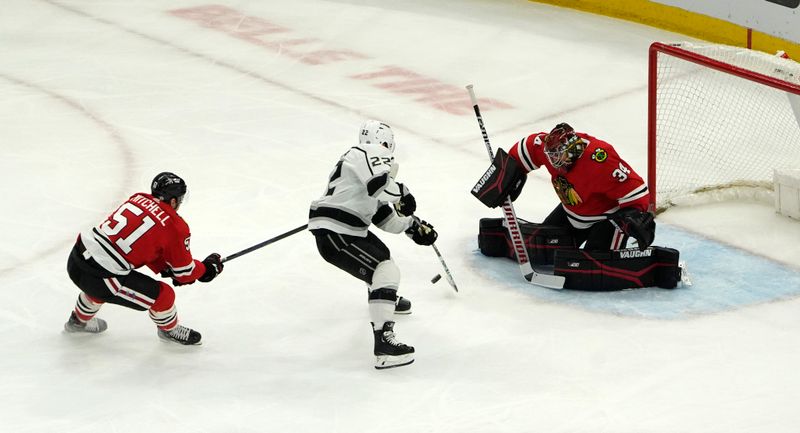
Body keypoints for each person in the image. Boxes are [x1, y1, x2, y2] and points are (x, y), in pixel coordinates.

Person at [309, 120, 438, 369]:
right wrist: (404, 192)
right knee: (386, 270)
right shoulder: (371, 152)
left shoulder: (358, 163)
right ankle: (384, 344)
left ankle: (383, 299)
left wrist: (413, 227)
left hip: (343, 229)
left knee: (382, 257)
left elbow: (383, 217)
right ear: (387, 143)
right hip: (338, 231)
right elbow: (380, 186)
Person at [63, 172, 224, 345]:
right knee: (164, 295)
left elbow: (146, 246)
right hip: (101, 278)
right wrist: (206, 269)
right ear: (173, 201)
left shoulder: (138, 198)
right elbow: (186, 273)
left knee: (105, 281)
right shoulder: (175, 226)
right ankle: (169, 330)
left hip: (76, 259)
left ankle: (78, 322)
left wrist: (165, 268)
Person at [474, 122, 655, 251]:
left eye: (557, 155)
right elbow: (526, 149)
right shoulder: (546, 148)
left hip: (605, 218)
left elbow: (636, 193)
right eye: (551, 155)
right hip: (572, 213)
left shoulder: (600, 159)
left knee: (593, 263)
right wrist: (506, 176)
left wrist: (635, 216)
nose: (553, 160)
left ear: (573, 148)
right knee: (541, 247)